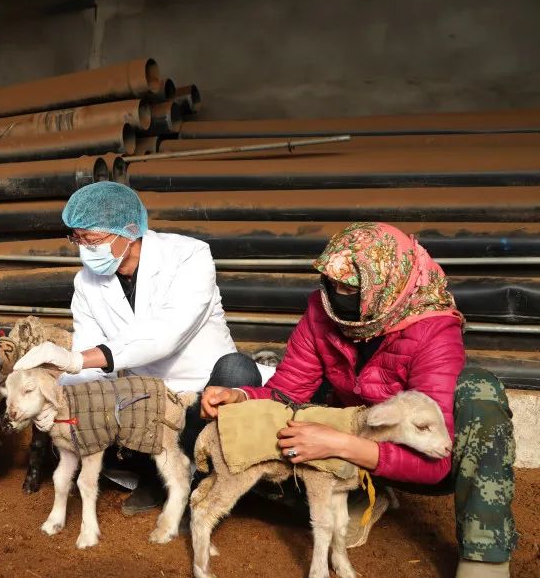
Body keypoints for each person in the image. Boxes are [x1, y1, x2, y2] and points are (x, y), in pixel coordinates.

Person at [201, 222, 516, 578]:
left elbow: (436, 463)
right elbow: (287, 392)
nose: (337, 294)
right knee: (260, 452)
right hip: (354, 434)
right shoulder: (323, 312)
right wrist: (240, 396)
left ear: (384, 284)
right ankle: (356, 494)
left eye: (350, 287)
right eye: (332, 282)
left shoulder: (433, 330)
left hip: (418, 458)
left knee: (478, 390)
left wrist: (339, 444)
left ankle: (484, 558)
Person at [13, 181, 264, 515]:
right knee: (86, 422)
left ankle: (204, 485)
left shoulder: (189, 256)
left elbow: (165, 335)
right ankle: (159, 477)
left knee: (237, 370)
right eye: (78, 239)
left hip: (201, 388)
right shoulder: (86, 282)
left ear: (129, 231)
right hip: (146, 400)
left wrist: (73, 359)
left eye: (92, 240)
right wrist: (57, 403)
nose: (84, 249)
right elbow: (88, 357)